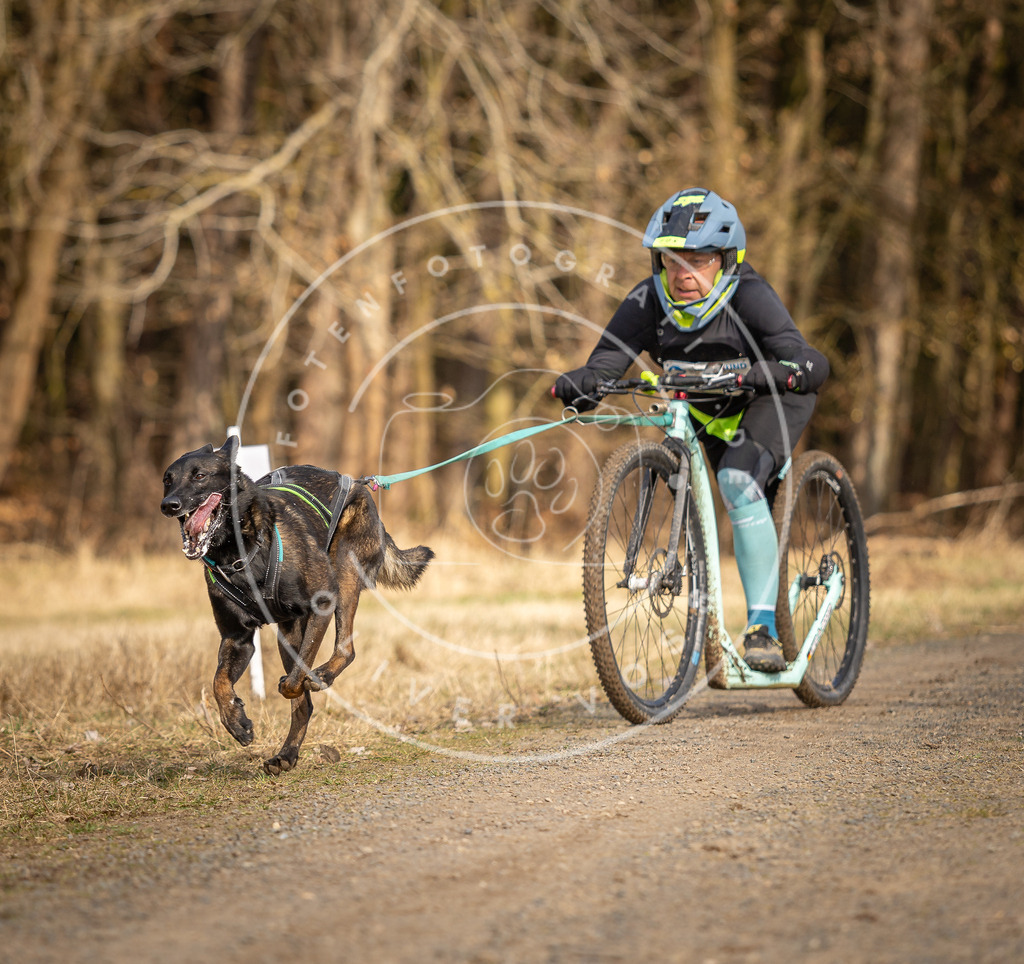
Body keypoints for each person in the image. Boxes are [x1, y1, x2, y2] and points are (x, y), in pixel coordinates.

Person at [553, 188, 829, 672]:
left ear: (725, 260)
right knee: (686, 470)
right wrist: (585, 382)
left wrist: (784, 370)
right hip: (700, 409)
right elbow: (606, 361)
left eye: (698, 259)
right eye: (672, 259)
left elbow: (803, 356)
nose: (683, 273)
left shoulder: (749, 294)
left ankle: (762, 628)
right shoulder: (647, 298)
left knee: (738, 482)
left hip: (768, 401)